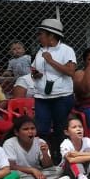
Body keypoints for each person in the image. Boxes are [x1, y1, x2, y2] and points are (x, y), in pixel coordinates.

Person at [30, 17, 78, 157]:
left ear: (51, 35)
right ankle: (46, 158)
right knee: (42, 130)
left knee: (60, 129)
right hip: (41, 97)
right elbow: (33, 69)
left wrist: (51, 61)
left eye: (41, 34)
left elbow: (71, 72)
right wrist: (35, 74)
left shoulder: (66, 50)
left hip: (61, 96)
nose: (39, 37)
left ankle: (63, 158)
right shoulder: (40, 51)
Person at [2, 115, 56, 179]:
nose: (30, 131)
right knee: (11, 174)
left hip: (37, 173)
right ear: (16, 132)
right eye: (26, 129)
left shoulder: (40, 142)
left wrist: (45, 153)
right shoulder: (9, 143)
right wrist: (31, 170)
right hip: (21, 173)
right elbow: (11, 166)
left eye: (33, 128)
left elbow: (48, 166)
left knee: (58, 170)